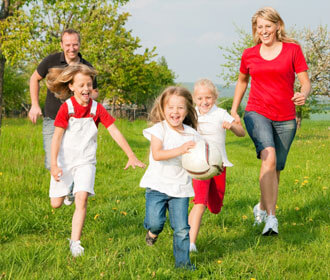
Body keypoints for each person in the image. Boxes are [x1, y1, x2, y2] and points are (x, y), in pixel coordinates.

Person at [47, 64, 145, 257]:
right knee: (55, 204)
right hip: (65, 161)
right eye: (81, 85)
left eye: (89, 85)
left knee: (82, 199)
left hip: (86, 161)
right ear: (72, 87)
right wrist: (54, 164)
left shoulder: (97, 109)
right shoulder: (66, 108)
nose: (86, 89)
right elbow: (56, 137)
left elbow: (114, 131)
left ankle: (75, 243)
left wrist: (131, 154)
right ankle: (69, 192)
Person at [230, 7, 311, 235]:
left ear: (277, 26)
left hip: (286, 117)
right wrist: (234, 110)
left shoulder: (293, 50)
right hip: (257, 112)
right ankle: (271, 219)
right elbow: (242, 82)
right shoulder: (249, 54)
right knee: (269, 156)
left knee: (275, 168)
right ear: (255, 30)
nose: (263, 31)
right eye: (259, 27)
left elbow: (305, 81)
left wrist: (303, 93)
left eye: (267, 26)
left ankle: (262, 206)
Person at [139, 86, 201, 269]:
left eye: (180, 108)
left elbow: (202, 157)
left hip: (180, 188)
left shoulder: (192, 134)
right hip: (157, 185)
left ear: (188, 110)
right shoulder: (159, 130)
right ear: (163, 109)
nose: (175, 112)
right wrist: (181, 149)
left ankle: (183, 265)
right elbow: (157, 154)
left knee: (182, 229)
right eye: (171, 107)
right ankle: (152, 232)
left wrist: (211, 168)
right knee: (155, 222)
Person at [188, 79, 245, 252]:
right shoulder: (192, 115)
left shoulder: (221, 113)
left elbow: (241, 133)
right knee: (200, 203)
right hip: (198, 165)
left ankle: (210, 208)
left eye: (208, 97)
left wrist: (232, 127)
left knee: (215, 206)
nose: (204, 102)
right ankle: (189, 243)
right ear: (194, 99)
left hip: (219, 166)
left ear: (215, 97)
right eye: (199, 98)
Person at [28, 29, 98, 170]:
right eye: (67, 45)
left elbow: (94, 91)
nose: (71, 48)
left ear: (79, 44)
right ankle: (63, 191)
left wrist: (86, 96)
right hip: (52, 119)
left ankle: (70, 192)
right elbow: (34, 78)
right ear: (61, 45)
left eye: (75, 44)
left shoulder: (87, 66)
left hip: (76, 121)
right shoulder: (51, 61)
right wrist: (35, 105)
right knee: (51, 163)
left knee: (73, 161)